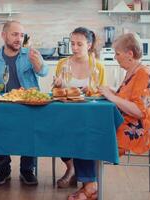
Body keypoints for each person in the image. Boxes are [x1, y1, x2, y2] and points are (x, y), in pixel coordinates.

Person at [68, 33, 150, 200]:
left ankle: (91, 187)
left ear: (129, 54)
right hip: (123, 122)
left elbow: (139, 112)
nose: (115, 58)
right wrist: (110, 90)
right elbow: (127, 98)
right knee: (81, 129)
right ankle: (89, 184)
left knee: (84, 135)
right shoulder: (132, 72)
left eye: (117, 54)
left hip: (135, 131)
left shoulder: (143, 74)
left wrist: (112, 97)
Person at [0, 20, 49, 185]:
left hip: (28, 105)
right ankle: (3, 169)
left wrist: (37, 64)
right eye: (14, 34)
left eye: (21, 35)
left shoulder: (30, 54)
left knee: (32, 125)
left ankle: (27, 169)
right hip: (3, 106)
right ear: (4, 36)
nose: (19, 38)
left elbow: (44, 72)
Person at [53, 27, 106, 189]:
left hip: (89, 117)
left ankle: (88, 181)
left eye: (79, 44)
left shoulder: (97, 66)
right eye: (72, 44)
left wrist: (92, 91)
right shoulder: (63, 64)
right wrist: (58, 85)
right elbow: (55, 94)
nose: (74, 48)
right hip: (66, 115)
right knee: (56, 131)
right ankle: (72, 168)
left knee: (86, 134)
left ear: (89, 45)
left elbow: (102, 95)